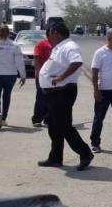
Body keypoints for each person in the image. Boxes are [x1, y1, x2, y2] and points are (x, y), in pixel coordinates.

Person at [37, 23, 93, 171]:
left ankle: (85, 153)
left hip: (63, 92)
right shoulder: (60, 46)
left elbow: (77, 62)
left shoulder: (69, 46)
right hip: (53, 92)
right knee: (54, 127)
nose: (48, 38)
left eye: (49, 34)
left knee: (64, 126)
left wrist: (61, 77)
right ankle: (55, 158)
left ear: (56, 32)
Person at [0, 24, 26, 124]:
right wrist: (23, 76)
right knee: (7, 96)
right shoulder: (14, 45)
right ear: (9, 33)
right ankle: (3, 119)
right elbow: (19, 62)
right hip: (10, 75)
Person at [31, 34, 52, 127]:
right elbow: (36, 59)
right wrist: (38, 73)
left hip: (53, 76)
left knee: (50, 98)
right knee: (41, 97)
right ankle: (37, 119)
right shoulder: (41, 44)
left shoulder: (58, 45)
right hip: (42, 75)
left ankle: (47, 119)